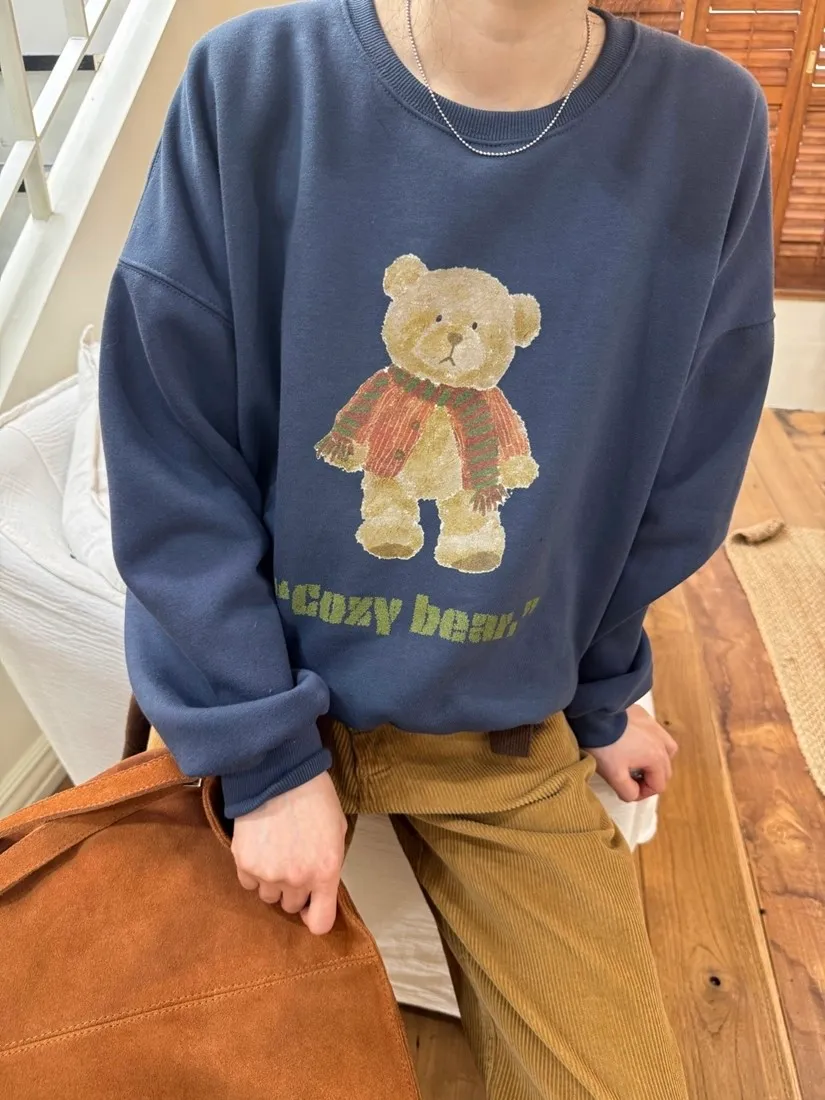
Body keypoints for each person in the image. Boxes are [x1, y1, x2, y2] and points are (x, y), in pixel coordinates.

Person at [99, 0, 774, 1096]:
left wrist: (605, 691)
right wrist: (264, 759)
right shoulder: (253, 80)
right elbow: (173, 452)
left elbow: (676, 467)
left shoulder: (708, 124)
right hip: (261, 692)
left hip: (500, 734)